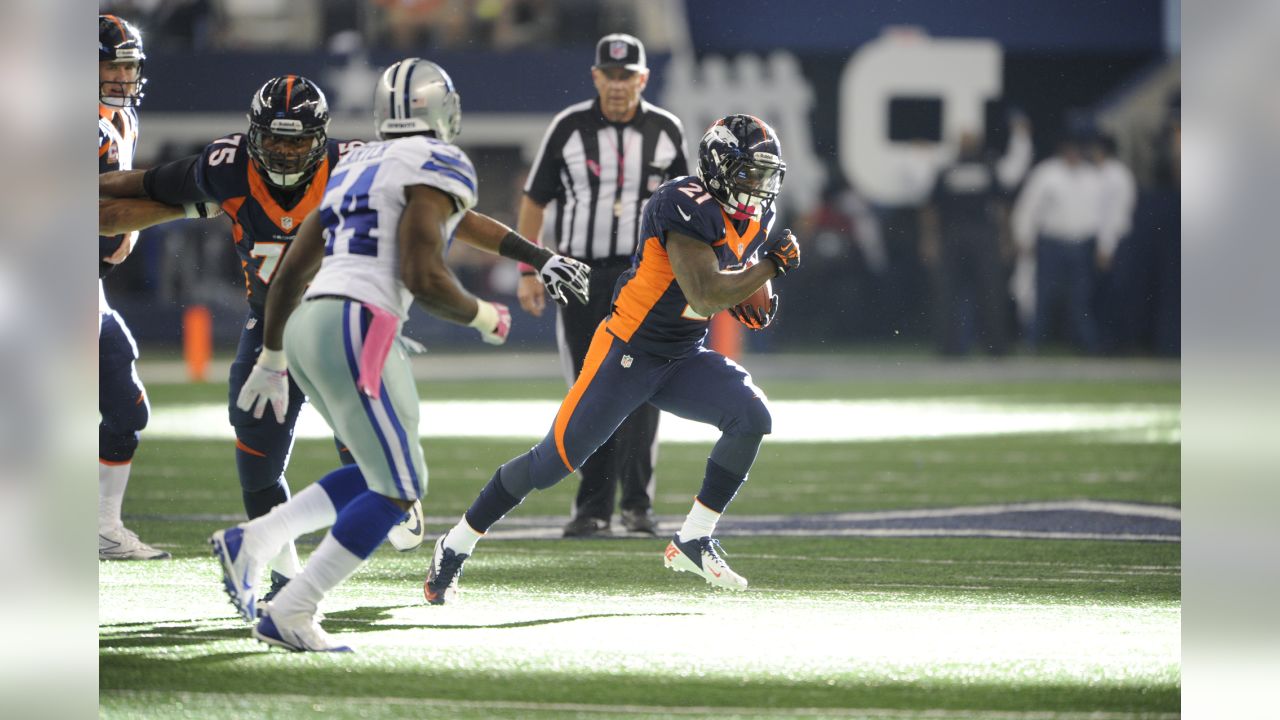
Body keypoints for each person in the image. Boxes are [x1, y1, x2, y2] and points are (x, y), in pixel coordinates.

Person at [213, 58, 590, 652]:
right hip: (358, 321)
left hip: (314, 318)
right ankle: (294, 607)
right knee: (399, 488)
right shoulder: (437, 162)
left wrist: (274, 352)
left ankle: (256, 542)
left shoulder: (353, 162)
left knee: (377, 470)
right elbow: (423, 270)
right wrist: (483, 314)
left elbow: (291, 267)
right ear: (440, 109)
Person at [423, 114, 800, 604]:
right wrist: (771, 266)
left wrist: (757, 282)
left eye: (764, 175)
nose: (758, 186)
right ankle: (455, 546)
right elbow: (705, 294)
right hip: (628, 351)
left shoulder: (754, 214)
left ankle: (694, 537)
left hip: (683, 353)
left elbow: (736, 274)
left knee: (751, 416)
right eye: (748, 173)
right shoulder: (680, 203)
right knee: (548, 465)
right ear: (717, 166)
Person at [99, 75, 416, 595]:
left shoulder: (355, 167)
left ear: (321, 138)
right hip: (271, 326)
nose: (287, 152)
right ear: (253, 136)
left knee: (369, 459)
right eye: (275, 139)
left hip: (345, 329)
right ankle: (283, 577)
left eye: (297, 140)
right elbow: (142, 188)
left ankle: (396, 486)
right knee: (256, 457)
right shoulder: (226, 170)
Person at [516, 33, 688, 538]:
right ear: (596, 77)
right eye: (609, 76)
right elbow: (534, 200)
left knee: (645, 387)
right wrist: (530, 268)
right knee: (588, 390)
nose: (618, 86)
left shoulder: (665, 130)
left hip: (645, 276)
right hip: (580, 275)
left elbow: (688, 211)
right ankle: (592, 507)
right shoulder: (568, 127)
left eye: (627, 76)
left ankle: (637, 504)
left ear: (643, 78)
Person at [98, 14, 172, 560]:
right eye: (112, 64)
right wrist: (182, 205)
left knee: (127, 406)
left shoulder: (120, 119)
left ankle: (103, 528)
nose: (123, 76)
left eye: (129, 65)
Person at [919, 132, 1013, 356]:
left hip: (983, 235)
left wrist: (1006, 238)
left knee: (991, 294)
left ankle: (995, 348)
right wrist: (929, 239)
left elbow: (1001, 205)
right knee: (947, 295)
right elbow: (930, 207)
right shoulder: (946, 170)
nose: (967, 145)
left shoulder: (988, 169)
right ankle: (949, 349)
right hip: (952, 235)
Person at [1011, 135, 1104, 353]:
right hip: (1052, 243)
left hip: (1082, 244)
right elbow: (1027, 207)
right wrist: (1023, 237)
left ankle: (1087, 346)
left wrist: (1102, 244)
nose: (1074, 154)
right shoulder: (1046, 173)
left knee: (1080, 299)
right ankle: (1033, 343)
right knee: (1043, 296)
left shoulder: (1092, 176)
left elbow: (1099, 214)